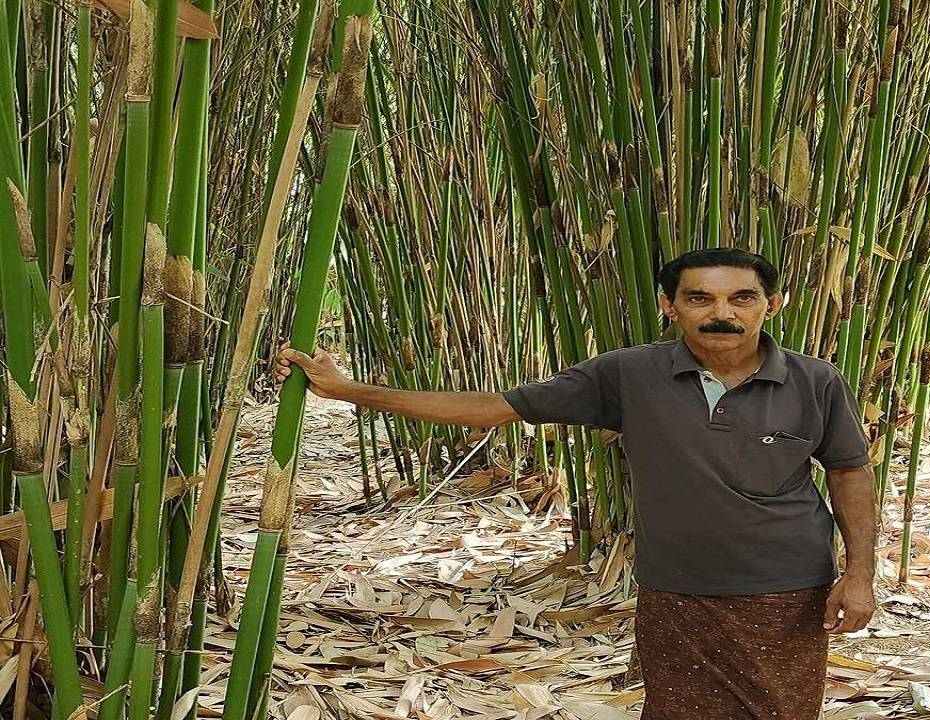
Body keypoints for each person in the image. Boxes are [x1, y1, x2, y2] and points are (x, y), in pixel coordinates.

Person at [275, 248, 878, 719]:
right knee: (677, 713)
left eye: (742, 298)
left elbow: (850, 470)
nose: (722, 313)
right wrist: (350, 390)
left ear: (771, 304)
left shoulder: (814, 381)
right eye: (699, 299)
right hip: (676, 590)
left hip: (786, 589)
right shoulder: (629, 375)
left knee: (781, 713)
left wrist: (859, 575)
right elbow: (496, 406)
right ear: (670, 306)